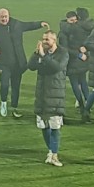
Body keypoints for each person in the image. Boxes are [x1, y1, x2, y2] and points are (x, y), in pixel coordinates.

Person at [0, 8, 49, 118]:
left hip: (17, 63)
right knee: (4, 85)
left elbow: (28, 25)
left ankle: (14, 108)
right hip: (3, 63)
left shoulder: (16, 24)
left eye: (6, 17)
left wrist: (40, 24)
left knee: (16, 87)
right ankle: (3, 103)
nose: (4, 19)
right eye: (2, 17)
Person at [28, 30, 68, 167]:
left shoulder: (63, 53)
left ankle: (54, 155)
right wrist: (36, 54)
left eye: (47, 40)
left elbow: (56, 67)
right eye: (43, 39)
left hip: (55, 94)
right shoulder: (41, 53)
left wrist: (44, 56)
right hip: (41, 94)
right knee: (44, 126)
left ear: (54, 40)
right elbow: (30, 66)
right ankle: (51, 152)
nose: (44, 42)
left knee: (55, 127)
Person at [58, 10, 90, 112]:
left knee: (83, 81)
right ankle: (82, 104)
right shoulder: (63, 33)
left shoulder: (76, 29)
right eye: (71, 20)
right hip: (71, 61)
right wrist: (79, 54)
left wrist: (85, 49)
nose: (74, 22)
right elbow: (65, 49)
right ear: (67, 20)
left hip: (80, 61)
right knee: (75, 83)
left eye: (75, 20)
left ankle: (87, 103)